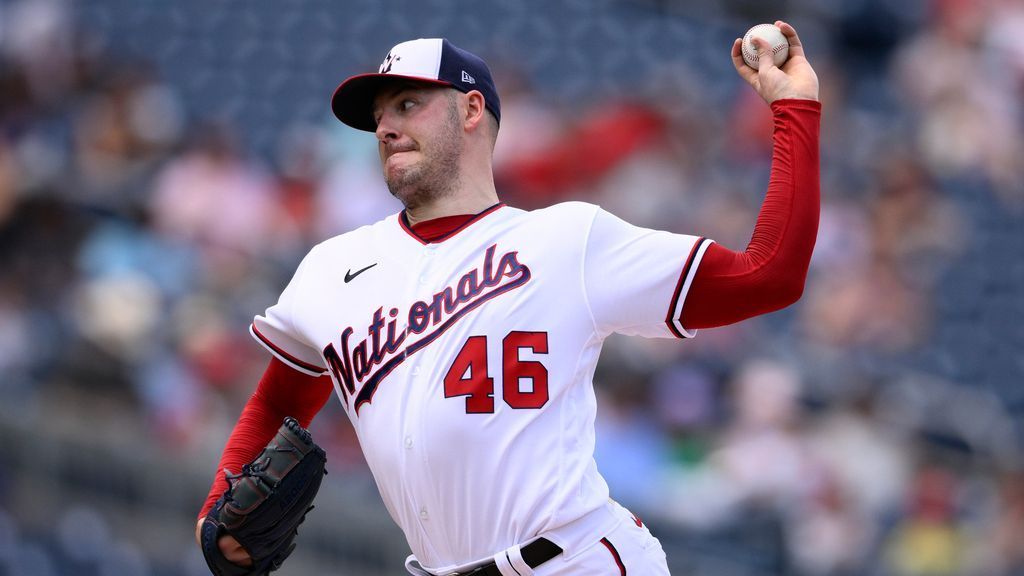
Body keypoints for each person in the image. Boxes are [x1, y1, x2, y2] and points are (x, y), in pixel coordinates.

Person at [196, 22, 821, 576]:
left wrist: (795, 111)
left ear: (471, 109)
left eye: (407, 104)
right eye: (379, 116)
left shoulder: (567, 241)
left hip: (572, 561)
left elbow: (770, 275)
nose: (385, 127)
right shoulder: (331, 269)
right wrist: (214, 512)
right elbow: (282, 396)